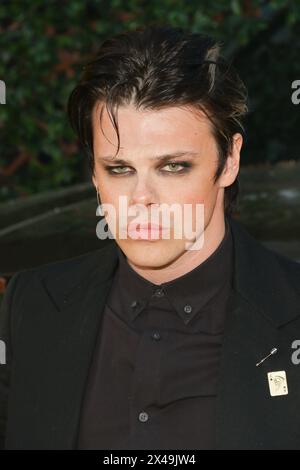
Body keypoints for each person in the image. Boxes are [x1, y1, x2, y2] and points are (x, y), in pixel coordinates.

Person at [1, 25, 300, 450]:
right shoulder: (31, 304)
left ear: (230, 160)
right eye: (119, 169)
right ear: (94, 173)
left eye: (173, 166)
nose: (141, 200)